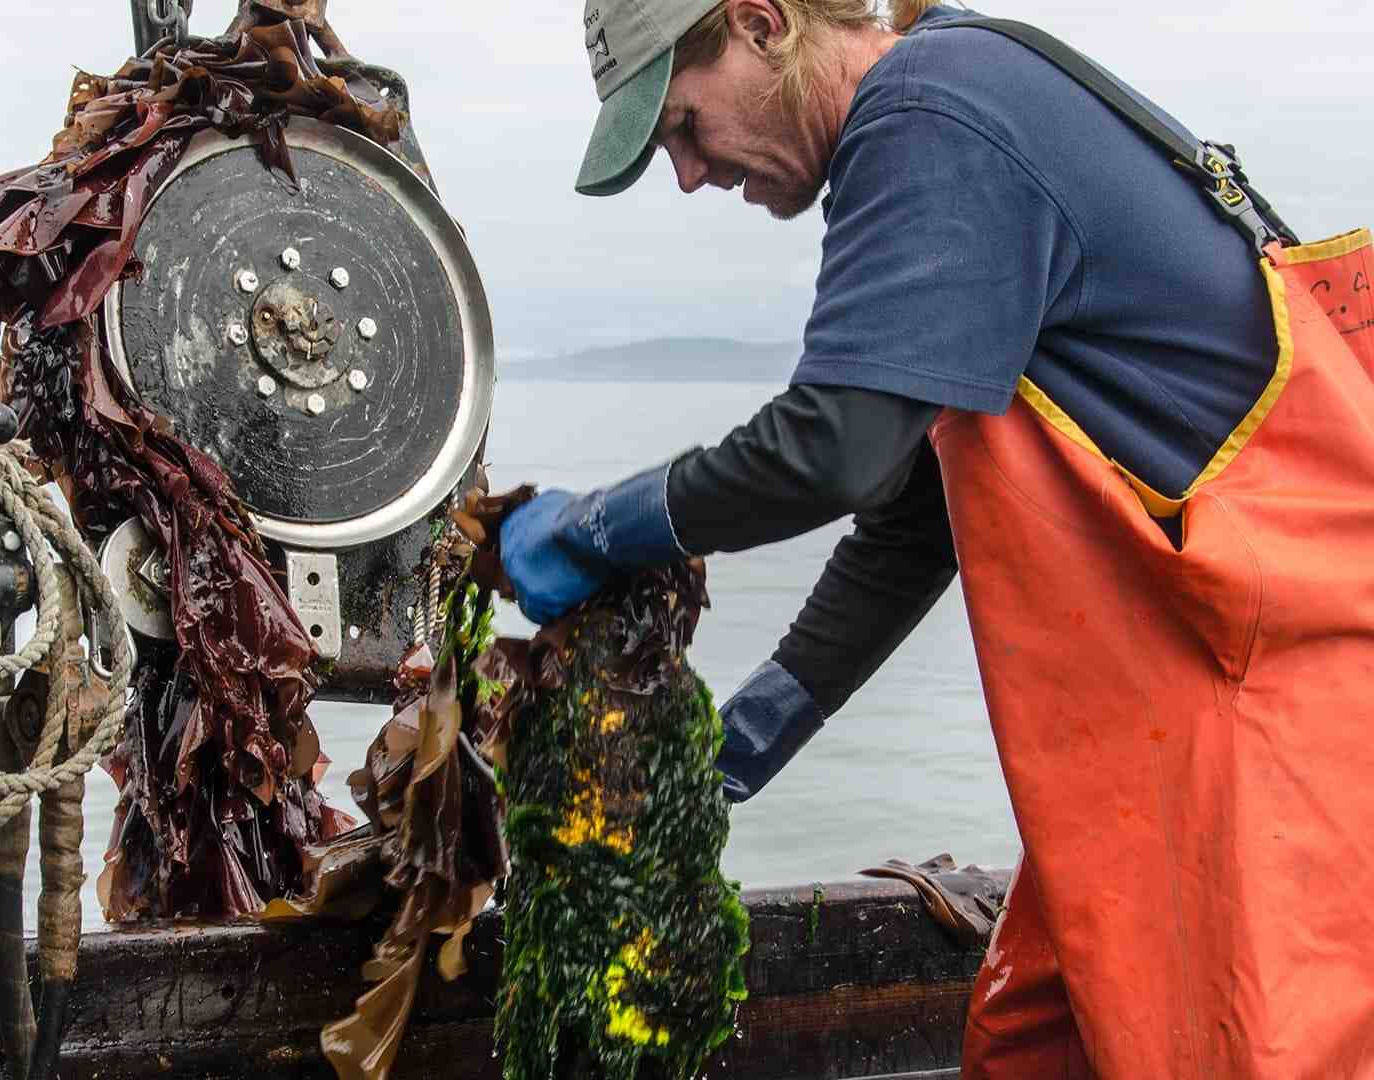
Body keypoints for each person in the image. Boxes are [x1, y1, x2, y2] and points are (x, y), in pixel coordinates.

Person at [500, 0, 1374, 1075]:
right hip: (1184, 722)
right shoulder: (955, 103)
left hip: (1281, 719)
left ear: (763, 24)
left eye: (683, 124)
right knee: (1028, 1045)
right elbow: (912, 520)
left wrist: (600, 528)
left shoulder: (929, 116)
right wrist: (735, 747)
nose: (688, 175)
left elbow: (833, 446)